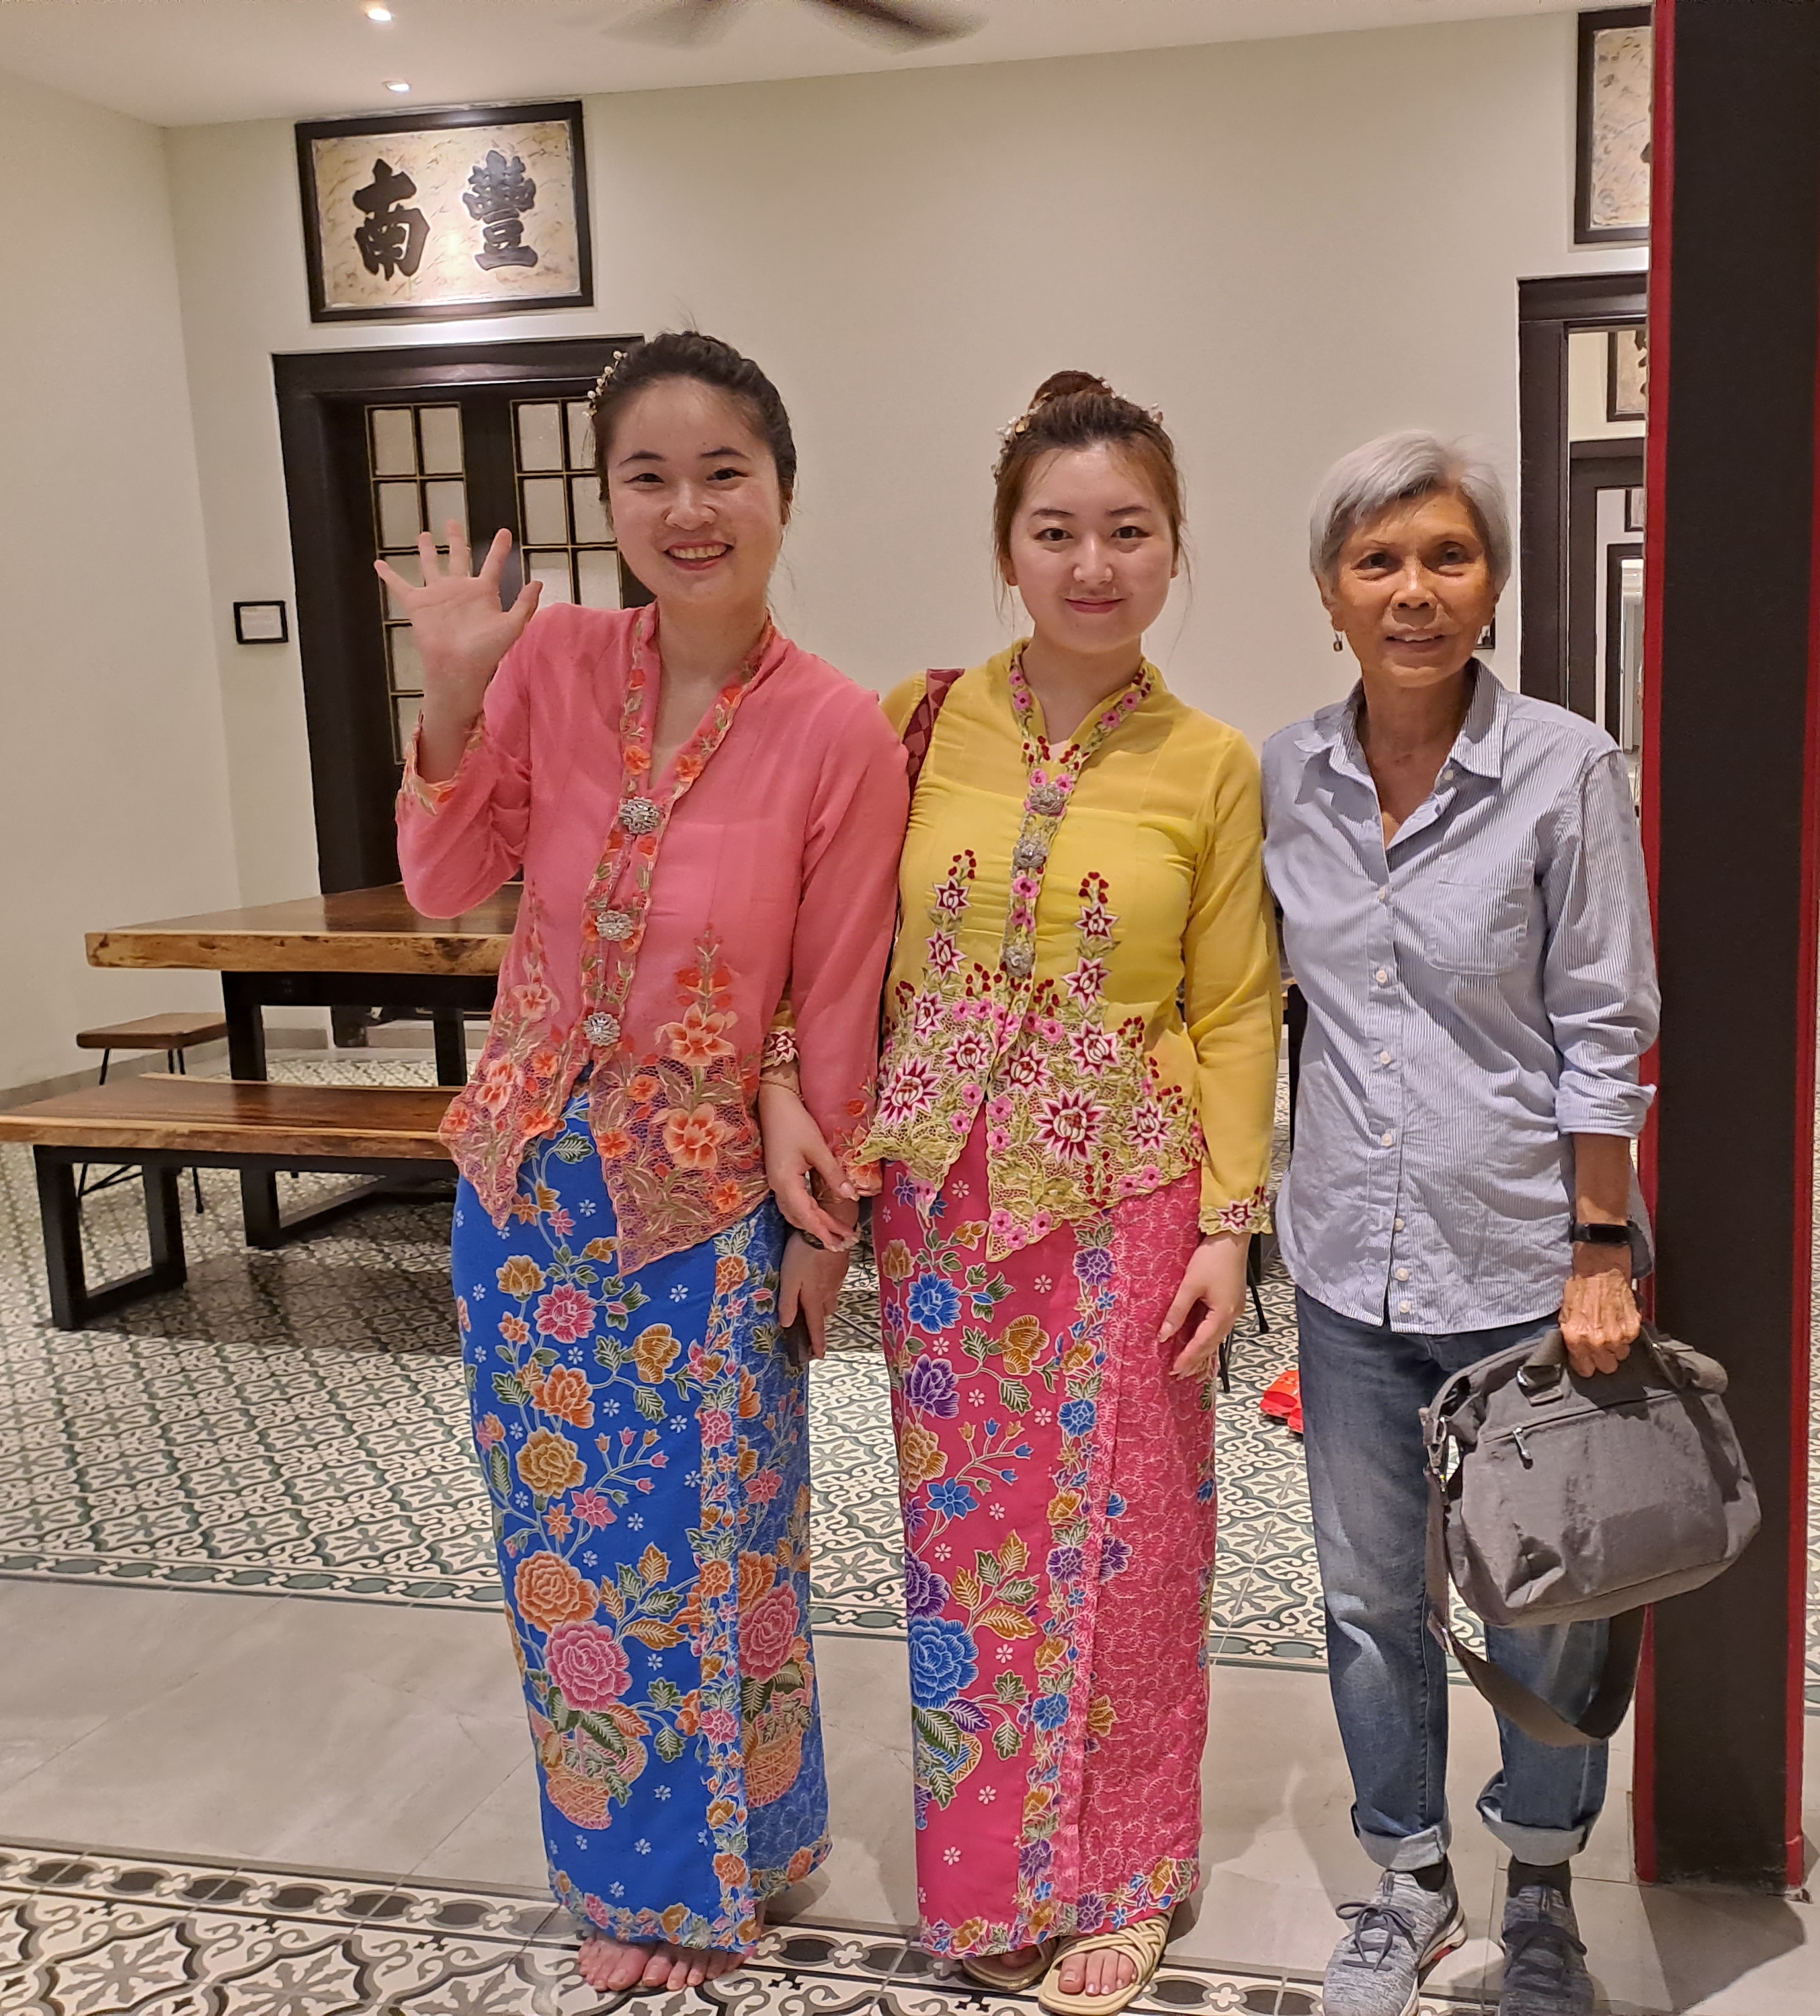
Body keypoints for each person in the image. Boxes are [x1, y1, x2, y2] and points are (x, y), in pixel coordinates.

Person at [390, 333, 909, 1998]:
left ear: (781, 495)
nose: (688, 510)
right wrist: (451, 687)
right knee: (564, 1547)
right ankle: (629, 1867)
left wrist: (824, 1232)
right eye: (648, 477)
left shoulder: (835, 728)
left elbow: (836, 991)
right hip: (523, 1187)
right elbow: (443, 880)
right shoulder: (550, 666)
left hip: (706, 1200)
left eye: (722, 474)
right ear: (605, 500)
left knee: (715, 1543)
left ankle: (718, 1870)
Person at [763, 371, 1280, 2016]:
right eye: (1055, 531)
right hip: (941, 1208)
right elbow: (834, 945)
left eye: (1127, 531)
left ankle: (1124, 1876)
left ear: (1174, 549)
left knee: (1131, 1548)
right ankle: (991, 1880)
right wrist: (810, 1142)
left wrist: (1228, 1228)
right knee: (967, 1553)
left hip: (1128, 1200)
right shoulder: (916, 725)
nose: (1091, 564)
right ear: (1006, 549)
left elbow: (1234, 1006)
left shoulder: (1209, 764)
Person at [1259, 433, 1657, 2016]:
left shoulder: (1567, 768)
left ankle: (1540, 1890)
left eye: (1445, 556)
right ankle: (1407, 1881)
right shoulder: (1284, 777)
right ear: (1330, 594)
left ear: (1490, 584)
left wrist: (1598, 1250)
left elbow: (1605, 1023)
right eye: (1376, 562)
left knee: (1541, 1604)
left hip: (1518, 1265)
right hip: (1345, 1266)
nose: (1412, 591)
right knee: (1370, 1600)